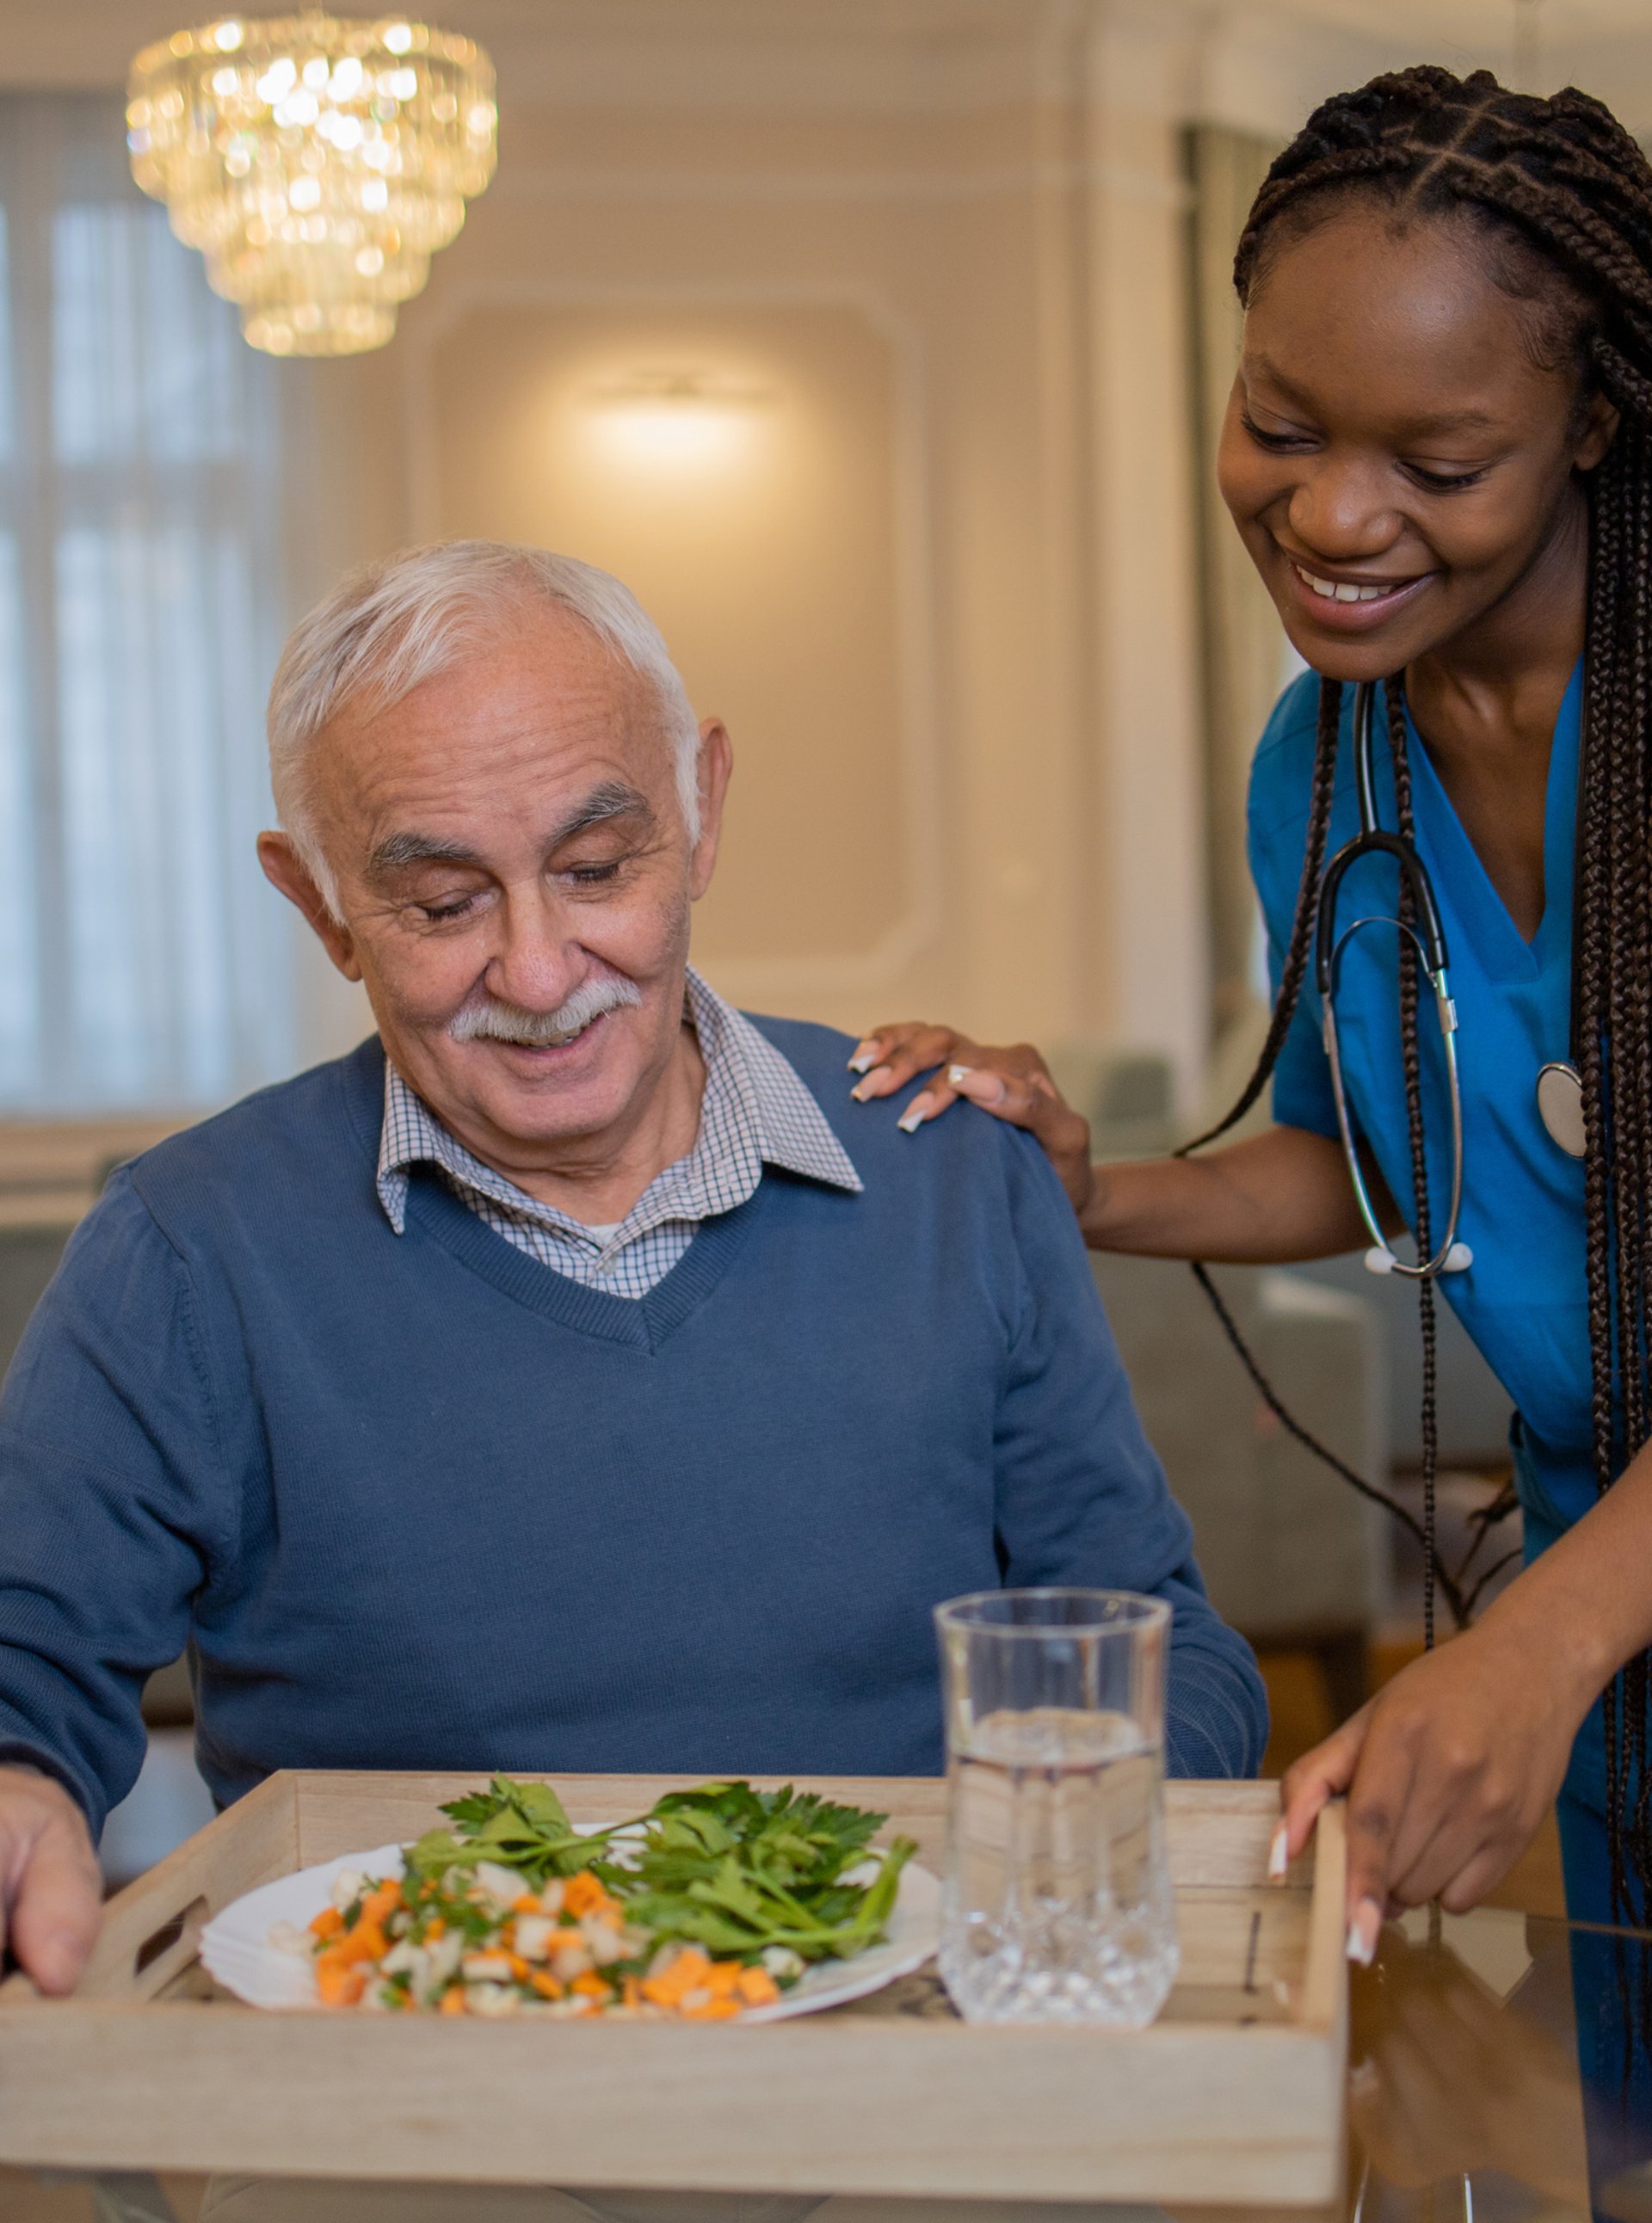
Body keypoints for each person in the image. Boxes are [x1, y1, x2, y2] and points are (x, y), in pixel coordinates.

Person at [0, 540, 1264, 2002]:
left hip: (917, 2058)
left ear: (703, 810)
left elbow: (1164, 1653)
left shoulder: (954, 1170)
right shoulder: (185, 1250)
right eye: (440, 902)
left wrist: (1064, 1854)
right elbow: (23, 1670)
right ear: (320, 904)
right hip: (402, 2094)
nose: (541, 975)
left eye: (597, 869)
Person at [845, 65, 1652, 2223]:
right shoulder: (1327, 756)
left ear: (1590, 423)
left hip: (1587, 1609)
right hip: (1603, 1582)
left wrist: (1537, 1648)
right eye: (1280, 421)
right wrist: (1090, 1187)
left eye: (1438, 457)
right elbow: (1375, 1153)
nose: (1333, 512)